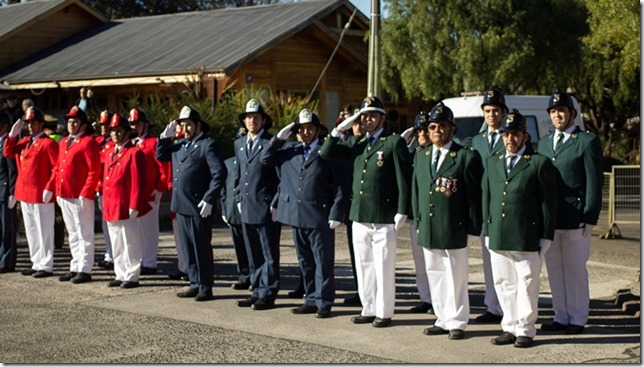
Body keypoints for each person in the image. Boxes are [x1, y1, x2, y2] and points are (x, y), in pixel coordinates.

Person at [320, 95, 412, 328]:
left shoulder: (393, 142)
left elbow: (404, 179)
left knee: (383, 266)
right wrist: (339, 129)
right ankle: (368, 307)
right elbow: (326, 153)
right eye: (364, 116)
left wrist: (402, 210)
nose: (368, 120)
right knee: (364, 266)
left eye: (372, 115)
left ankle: (384, 312)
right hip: (359, 215)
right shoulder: (357, 143)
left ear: (382, 117)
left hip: (383, 215)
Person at [261, 108, 349, 318]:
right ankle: (310, 298)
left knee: (323, 261)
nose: (306, 132)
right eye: (301, 129)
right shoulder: (289, 150)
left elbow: (340, 185)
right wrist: (278, 138)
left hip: (320, 215)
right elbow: (265, 159)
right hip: (296, 215)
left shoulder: (327, 152)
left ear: (318, 130)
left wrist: (337, 212)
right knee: (305, 261)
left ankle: (324, 301)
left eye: (310, 128)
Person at [482, 109, 557, 348]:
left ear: (525, 136)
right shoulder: (493, 162)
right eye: (506, 134)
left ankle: (525, 328)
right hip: (499, 234)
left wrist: (546, 234)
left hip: (526, 235)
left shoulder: (538, 163)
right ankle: (509, 326)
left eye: (515, 134)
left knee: (526, 283)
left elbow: (548, 202)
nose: (510, 139)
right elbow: (487, 197)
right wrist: (486, 228)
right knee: (503, 282)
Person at [410, 102, 482, 340]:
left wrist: (473, 227)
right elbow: (417, 191)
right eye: (432, 126)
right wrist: (418, 220)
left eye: (442, 126)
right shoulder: (422, 156)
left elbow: (474, 196)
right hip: (429, 226)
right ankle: (441, 318)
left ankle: (458, 321)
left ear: (452, 129)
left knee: (455, 276)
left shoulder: (465, 157)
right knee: (435, 273)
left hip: (455, 226)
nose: (437, 130)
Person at [538, 90, 603, 335]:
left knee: (575, 270)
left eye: (562, 111)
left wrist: (590, 216)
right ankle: (560, 315)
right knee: (554, 270)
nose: (557, 115)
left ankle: (577, 318)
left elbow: (594, 182)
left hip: (576, 218)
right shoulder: (544, 143)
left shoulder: (586, 141)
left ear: (572, 114)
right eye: (553, 112)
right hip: (552, 219)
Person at [156, 106, 226, 302]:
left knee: (200, 247)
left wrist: (209, 198)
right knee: (187, 248)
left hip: (198, 205)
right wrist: (164, 138)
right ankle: (194, 283)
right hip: (181, 205)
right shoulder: (179, 145)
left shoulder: (207, 145)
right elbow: (161, 156)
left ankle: (205, 286)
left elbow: (219, 174)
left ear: (198, 125)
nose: (185, 129)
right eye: (182, 125)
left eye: (188, 125)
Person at [233, 99, 281, 311]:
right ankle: (257, 290)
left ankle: (269, 292)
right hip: (247, 204)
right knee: (253, 252)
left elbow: (280, 177)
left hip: (265, 205)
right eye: (249, 117)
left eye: (256, 118)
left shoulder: (271, 143)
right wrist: (237, 197)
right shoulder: (240, 143)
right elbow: (238, 174)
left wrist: (276, 202)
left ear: (264, 121)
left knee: (268, 252)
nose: (252, 121)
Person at [45, 106, 101, 284]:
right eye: (69, 121)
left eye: (75, 122)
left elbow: (94, 170)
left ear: (83, 125)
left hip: (79, 195)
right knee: (73, 233)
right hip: (65, 193)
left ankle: (85, 268)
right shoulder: (63, 142)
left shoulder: (88, 142)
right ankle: (75, 265)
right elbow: (58, 168)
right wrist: (52, 187)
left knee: (84, 233)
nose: (71, 124)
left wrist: (86, 192)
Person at [3, 106, 59, 278]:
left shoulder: (48, 143)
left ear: (41, 124)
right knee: (32, 230)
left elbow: (57, 168)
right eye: (28, 123)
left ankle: (46, 264)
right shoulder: (25, 141)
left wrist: (50, 187)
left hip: (41, 193)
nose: (30, 126)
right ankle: (36, 262)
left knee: (44, 231)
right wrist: (12, 136)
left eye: (33, 122)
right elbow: (8, 152)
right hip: (25, 192)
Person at [470, 88, 508, 323]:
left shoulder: (511, 136)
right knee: (489, 260)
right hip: (485, 207)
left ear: (503, 112)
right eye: (487, 111)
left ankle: (507, 307)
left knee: (507, 259)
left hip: (505, 206)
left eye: (495, 110)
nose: (491, 115)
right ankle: (493, 306)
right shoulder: (477, 140)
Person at [101, 113, 150, 289]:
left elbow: (138, 181)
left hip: (125, 204)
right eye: (113, 131)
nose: (115, 134)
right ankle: (120, 272)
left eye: (119, 131)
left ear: (127, 133)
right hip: (111, 203)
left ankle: (132, 275)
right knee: (116, 241)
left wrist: (134, 205)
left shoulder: (134, 153)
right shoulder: (109, 153)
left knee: (130, 241)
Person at [399, 110, 434, 315]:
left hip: (432, 216)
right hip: (416, 217)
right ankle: (426, 298)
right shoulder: (413, 154)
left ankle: (438, 299)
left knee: (435, 262)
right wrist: (403, 142)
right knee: (420, 263)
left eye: (425, 130)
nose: (422, 135)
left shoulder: (438, 153)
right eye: (418, 131)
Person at [129, 108, 169, 275]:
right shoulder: (129, 143)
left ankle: (150, 262)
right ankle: (138, 260)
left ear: (144, 125)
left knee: (149, 230)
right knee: (134, 230)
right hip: (133, 195)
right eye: (131, 123)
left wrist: (159, 188)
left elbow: (163, 168)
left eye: (137, 124)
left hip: (149, 193)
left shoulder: (153, 142)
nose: (134, 127)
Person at [335, 105, 362, 305]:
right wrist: (339, 130)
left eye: (361, 122)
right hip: (352, 209)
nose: (358, 126)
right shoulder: (347, 146)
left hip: (373, 210)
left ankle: (373, 295)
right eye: (355, 123)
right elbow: (327, 151)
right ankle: (361, 291)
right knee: (357, 256)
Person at [221, 128, 251, 290]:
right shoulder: (227, 163)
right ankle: (244, 275)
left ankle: (255, 277)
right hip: (232, 212)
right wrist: (224, 210)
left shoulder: (250, 160)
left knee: (252, 247)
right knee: (239, 247)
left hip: (247, 211)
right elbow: (224, 190)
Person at [95, 110, 116, 270]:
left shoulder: (114, 144)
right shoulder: (98, 142)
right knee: (105, 224)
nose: (103, 127)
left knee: (113, 225)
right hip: (100, 188)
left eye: (106, 124)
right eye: (101, 124)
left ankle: (115, 256)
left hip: (111, 189)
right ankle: (109, 254)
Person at [0, 111, 17, 273]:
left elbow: (12, 170)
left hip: (5, 191)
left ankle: (7, 262)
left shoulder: (8, 142)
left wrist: (13, 192)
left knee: (7, 229)